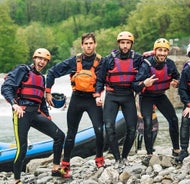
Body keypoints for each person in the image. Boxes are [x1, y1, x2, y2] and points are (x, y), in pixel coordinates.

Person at [1, 48, 67, 184]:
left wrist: (47, 117)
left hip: (36, 114)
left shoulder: (42, 79)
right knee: (22, 148)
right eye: (39, 58)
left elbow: (41, 101)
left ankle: (55, 168)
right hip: (21, 113)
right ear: (34, 58)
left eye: (44, 60)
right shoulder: (23, 70)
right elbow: (6, 87)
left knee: (59, 136)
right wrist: (14, 104)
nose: (41, 62)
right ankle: (17, 180)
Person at [45, 33, 105, 172]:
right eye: (86, 43)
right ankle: (66, 162)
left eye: (91, 43)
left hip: (92, 100)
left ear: (95, 44)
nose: (89, 46)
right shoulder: (74, 61)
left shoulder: (102, 61)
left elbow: (110, 76)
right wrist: (48, 91)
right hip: (77, 99)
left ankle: (99, 158)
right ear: (82, 45)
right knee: (71, 133)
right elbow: (52, 71)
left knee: (99, 130)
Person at [94, 31, 142, 168]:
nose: (125, 45)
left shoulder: (137, 59)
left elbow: (147, 69)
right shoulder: (108, 59)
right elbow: (100, 79)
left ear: (131, 44)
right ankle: (117, 158)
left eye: (128, 43)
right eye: (122, 43)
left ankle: (125, 156)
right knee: (109, 127)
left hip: (128, 96)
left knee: (132, 129)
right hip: (112, 95)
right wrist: (98, 94)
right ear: (118, 44)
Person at [133, 38, 180, 166]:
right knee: (148, 123)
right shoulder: (146, 65)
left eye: (165, 51)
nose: (162, 53)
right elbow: (135, 85)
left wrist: (176, 82)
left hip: (160, 96)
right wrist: (144, 83)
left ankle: (176, 149)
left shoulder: (169, 64)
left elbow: (177, 76)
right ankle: (149, 153)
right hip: (146, 97)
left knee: (174, 119)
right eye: (160, 50)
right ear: (155, 51)